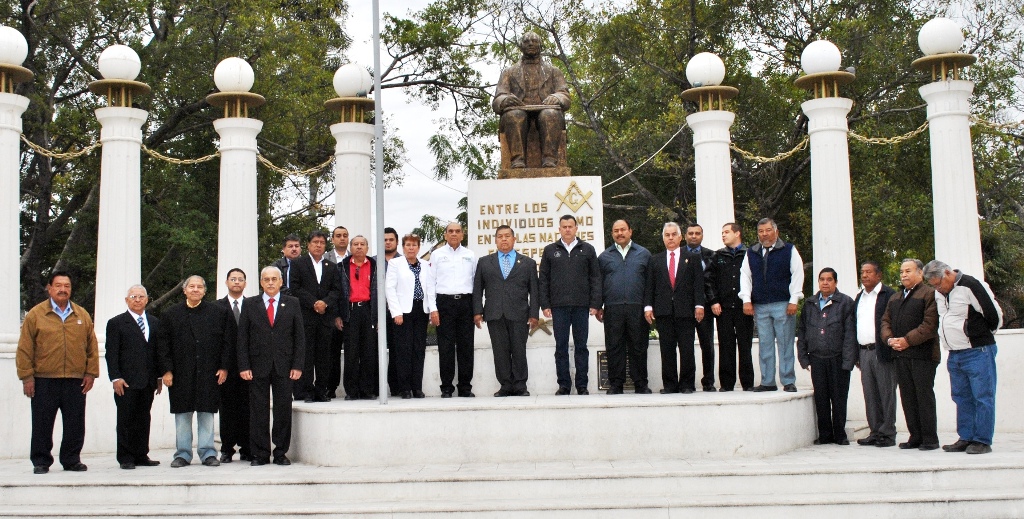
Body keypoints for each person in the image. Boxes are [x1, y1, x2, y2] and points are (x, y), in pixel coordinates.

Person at [17, 271, 99, 474]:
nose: (63, 289)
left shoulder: (82, 314)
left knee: (75, 422)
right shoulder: (36, 315)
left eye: (67, 286)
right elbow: (25, 348)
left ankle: (71, 459)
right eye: (58, 285)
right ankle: (41, 461)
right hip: (44, 379)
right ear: (50, 288)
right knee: (42, 422)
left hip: (75, 379)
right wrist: (26, 376)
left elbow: (92, 347)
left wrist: (90, 373)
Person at [923, 260, 1004, 455]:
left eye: (939, 283)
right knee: (961, 397)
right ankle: (966, 437)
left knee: (982, 396)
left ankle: (982, 440)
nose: (937, 288)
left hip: (978, 351)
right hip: (954, 353)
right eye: (933, 285)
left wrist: (977, 335)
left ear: (948, 274)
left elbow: (994, 316)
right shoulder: (939, 292)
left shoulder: (971, 285)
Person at [157, 275, 233, 468]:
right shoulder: (170, 314)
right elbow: (163, 346)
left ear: (205, 291)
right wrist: (166, 371)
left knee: (206, 413)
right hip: (181, 373)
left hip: (209, 372)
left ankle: (207, 453)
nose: (195, 290)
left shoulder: (218, 312)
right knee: (183, 414)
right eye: (192, 286)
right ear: (184, 290)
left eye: (199, 287)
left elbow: (227, 343)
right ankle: (182, 454)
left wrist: (224, 367)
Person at [237, 266, 305, 466]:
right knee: (258, 410)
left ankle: (281, 452)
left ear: (281, 282)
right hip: (257, 366)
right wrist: (244, 365)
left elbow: (299, 337)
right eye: (266, 279)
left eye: (274, 279)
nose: (270, 282)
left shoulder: (292, 303)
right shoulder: (250, 304)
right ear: (261, 282)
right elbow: (242, 338)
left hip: (285, 365)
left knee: (283, 410)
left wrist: (298, 365)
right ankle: (260, 453)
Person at [739, 218, 805, 392]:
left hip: (783, 303)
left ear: (776, 232)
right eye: (761, 231)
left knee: (785, 343)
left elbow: (797, 274)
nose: (764, 234)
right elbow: (745, 276)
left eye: (768, 230)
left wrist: (793, 300)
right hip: (760, 305)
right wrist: (746, 299)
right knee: (765, 345)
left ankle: (788, 380)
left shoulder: (788, 249)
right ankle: (768, 381)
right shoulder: (751, 252)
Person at [539, 215, 602, 395]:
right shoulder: (550, 250)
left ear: (576, 228)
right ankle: (564, 385)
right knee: (561, 347)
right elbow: (543, 279)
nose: (567, 229)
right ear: (559, 229)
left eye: (570, 226)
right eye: (564, 226)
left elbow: (595, 278)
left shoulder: (587, 250)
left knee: (581, 346)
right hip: (558, 307)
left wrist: (595, 303)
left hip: (582, 306)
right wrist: (545, 304)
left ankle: (582, 385)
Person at [473, 225, 539, 396]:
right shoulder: (485, 262)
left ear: (514, 239)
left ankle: (520, 386)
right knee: (500, 351)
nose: (504, 239)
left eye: (507, 236)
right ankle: (505, 386)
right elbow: (478, 289)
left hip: (519, 313)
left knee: (519, 349)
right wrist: (477, 312)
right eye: (500, 236)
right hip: (494, 313)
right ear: (495, 240)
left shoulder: (528, 263)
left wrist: (533, 314)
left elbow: (535, 291)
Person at [881, 259, 940, 451]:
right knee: (907, 397)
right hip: (900, 356)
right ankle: (915, 436)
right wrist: (890, 340)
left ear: (920, 273)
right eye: (901, 271)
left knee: (923, 397)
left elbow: (929, 325)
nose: (904, 275)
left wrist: (907, 340)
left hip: (922, 356)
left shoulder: (929, 294)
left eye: (908, 271)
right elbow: (885, 321)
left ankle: (929, 439)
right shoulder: (895, 297)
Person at [492, 31, 571, 168]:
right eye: (526, 41)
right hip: (519, 110)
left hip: (545, 109)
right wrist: (506, 100)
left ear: (540, 45)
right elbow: (498, 99)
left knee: (550, 114)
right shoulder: (509, 72)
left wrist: (556, 97)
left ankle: (550, 160)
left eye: (534, 41)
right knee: (514, 115)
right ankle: (517, 161)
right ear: (521, 46)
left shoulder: (553, 71)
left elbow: (564, 95)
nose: (530, 44)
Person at [797, 268, 857, 445]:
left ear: (835, 282)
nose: (825, 282)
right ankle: (825, 435)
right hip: (817, 358)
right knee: (821, 398)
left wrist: (848, 361)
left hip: (838, 358)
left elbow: (850, 334)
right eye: (822, 279)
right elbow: (802, 331)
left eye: (829, 279)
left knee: (838, 398)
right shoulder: (810, 304)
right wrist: (804, 357)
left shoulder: (845, 302)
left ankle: (840, 435)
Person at [105, 285, 162, 469]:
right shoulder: (116, 323)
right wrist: (115, 377)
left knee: (144, 418)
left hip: (148, 381)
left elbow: (158, 352)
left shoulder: (154, 322)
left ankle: (141, 454)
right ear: (127, 300)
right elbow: (111, 353)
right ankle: (126, 457)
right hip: (126, 381)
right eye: (133, 296)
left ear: (147, 299)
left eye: (141, 296)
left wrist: (159, 377)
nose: (137, 300)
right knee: (126, 420)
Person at [644, 222, 705, 394]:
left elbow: (698, 284)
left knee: (686, 349)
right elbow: (650, 286)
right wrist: (648, 307)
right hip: (664, 311)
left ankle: (687, 384)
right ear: (663, 238)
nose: (670, 238)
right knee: (667, 349)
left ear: (680, 237)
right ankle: (670, 384)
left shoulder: (692, 258)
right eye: (667, 235)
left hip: (686, 311)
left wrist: (699, 305)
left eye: (673, 234)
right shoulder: (655, 260)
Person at [597, 219, 653, 394]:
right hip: (613, 308)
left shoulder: (644, 254)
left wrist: (648, 306)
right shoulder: (604, 256)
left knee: (639, 346)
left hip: (637, 308)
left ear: (631, 231)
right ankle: (616, 384)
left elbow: (650, 284)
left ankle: (640, 383)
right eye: (616, 231)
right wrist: (598, 306)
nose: (619, 233)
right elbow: (598, 283)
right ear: (612, 233)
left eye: (623, 230)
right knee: (614, 347)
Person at [290, 230, 343, 402]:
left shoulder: (331, 267)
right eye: (315, 242)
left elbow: (337, 290)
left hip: (325, 318)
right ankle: (308, 391)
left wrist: (325, 303)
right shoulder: (298, 264)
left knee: (324, 356)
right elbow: (295, 288)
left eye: (321, 242)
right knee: (307, 356)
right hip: (306, 316)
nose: (318, 245)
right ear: (308, 245)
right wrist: (314, 303)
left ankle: (321, 390)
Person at [386, 234, 439, 398]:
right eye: (408, 245)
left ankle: (417, 387)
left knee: (418, 349)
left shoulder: (425, 264)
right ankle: (404, 388)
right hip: (403, 312)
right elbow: (390, 289)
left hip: (420, 310)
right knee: (404, 350)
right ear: (403, 247)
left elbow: (430, 288)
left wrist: (433, 309)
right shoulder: (395, 264)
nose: (411, 248)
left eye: (414, 245)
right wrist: (396, 312)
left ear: (418, 247)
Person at [430, 222, 478, 398]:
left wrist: (476, 309)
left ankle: (465, 387)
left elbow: (475, 282)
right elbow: (430, 283)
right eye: (450, 231)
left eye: (457, 231)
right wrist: (433, 309)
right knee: (446, 347)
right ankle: (447, 387)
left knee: (466, 347)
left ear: (462, 235)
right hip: (444, 303)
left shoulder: (470, 255)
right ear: (445, 235)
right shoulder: (436, 255)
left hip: (465, 303)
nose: (454, 234)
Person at [705, 223, 754, 391]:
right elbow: (709, 280)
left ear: (737, 233)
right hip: (723, 308)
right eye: (722, 232)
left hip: (744, 308)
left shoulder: (749, 254)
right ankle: (726, 384)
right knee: (726, 346)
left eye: (726, 232)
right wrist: (714, 301)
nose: (723, 235)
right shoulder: (718, 255)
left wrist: (750, 301)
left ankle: (747, 383)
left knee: (745, 345)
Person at [852, 262, 897, 448]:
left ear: (878, 275)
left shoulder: (889, 295)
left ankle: (887, 433)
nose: (864, 275)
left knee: (886, 392)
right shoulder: (859, 297)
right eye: (862, 272)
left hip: (882, 351)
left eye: (869, 272)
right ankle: (875, 431)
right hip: (864, 352)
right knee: (870, 393)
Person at [215, 268, 252, 463]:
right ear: (227, 282)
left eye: (240, 279)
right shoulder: (216, 307)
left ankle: (247, 448)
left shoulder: (253, 305)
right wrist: (222, 365)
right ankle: (227, 449)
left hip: (249, 367)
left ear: (245, 283)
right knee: (227, 408)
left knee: (248, 408)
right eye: (233, 279)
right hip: (226, 368)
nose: (236, 282)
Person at [339, 236, 379, 400]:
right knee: (351, 353)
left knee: (369, 353)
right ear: (351, 247)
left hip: (368, 311)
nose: (359, 247)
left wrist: (377, 318)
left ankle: (367, 389)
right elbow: (338, 292)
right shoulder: (342, 266)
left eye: (362, 244)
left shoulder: (375, 265)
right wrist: (339, 315)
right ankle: (351, 391)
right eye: (355, 244)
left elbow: (379, 291)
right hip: (350, 312)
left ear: (367, 248)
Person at [684, 223, 717, 391]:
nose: (694, 236)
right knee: (686, 346)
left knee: (707, 345)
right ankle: (688, 382)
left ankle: (708, 381)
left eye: (697, 233)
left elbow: (714, 281)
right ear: (685, 236)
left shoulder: (711, 255)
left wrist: (712, 302)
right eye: (690, 233)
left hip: (704, 306)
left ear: (702, 236)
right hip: (684, 307)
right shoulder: (679, 254)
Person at [325, 225, 350, 398]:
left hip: (351, 312)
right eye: (338, 236)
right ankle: (330, 387)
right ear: (332, 239)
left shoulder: (355, 257)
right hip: (331, 313)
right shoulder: (325, 259)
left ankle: (352, 387)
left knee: (352, 351)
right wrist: (334, 315)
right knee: (331, 353)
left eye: (345, 235)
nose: (342, 238)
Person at [380, 227, 400, 396]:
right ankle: (374, 387)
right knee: (375, 351)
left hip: (398, 313)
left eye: (390, 239)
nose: (387, 242)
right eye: (384, 240)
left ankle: (396, 387)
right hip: (378, 313)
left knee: (397, 351)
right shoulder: (373, 262)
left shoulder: (404, 261)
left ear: (396, 242)